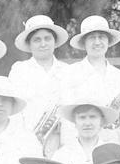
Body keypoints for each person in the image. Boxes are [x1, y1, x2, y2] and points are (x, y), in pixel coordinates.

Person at [8, 14, 72, 156]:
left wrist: (66, 144)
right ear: (29, 45)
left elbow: (71, 112)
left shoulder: (67, 71)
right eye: (37, 40)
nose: (43, 44)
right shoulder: (19, 70)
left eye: (47, 39)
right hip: (27, 142)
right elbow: (14, 112)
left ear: (54, 42)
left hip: (61, 143)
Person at [63, 16, 120, 147]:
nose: (97, 42)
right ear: (84, 43)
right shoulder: (71, 73)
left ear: (108, 41)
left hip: (116, 142)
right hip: (84, 144)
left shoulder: (119, 76)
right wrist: (70, 147)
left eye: (101, 37)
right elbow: (67, 118)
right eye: (92, 38)